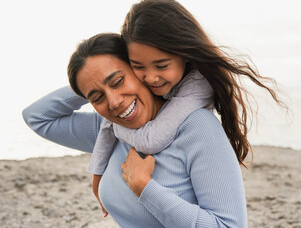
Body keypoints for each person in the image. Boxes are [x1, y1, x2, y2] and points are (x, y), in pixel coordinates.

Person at [23, 33, 248, 227]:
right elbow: (38, 117)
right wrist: (88, 79)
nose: (113, 102)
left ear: (138, 71)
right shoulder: (110, 130)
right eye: (98, 97)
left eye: (118, 81)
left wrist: (144, 187)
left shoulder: (197, 126)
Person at [89, 0, 285, 214]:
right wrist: (97, 176)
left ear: (185, 54)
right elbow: (98, 122)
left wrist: (117, 125)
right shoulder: (153, 87)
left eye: (161, 65)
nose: (151, 78)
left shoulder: (198, 85)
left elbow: (150, 140)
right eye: (138, 66)